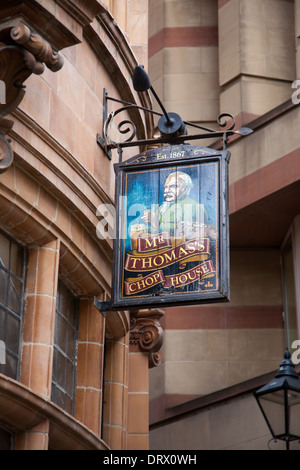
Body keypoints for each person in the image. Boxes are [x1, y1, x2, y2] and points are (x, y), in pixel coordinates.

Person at [141, 171, 210, 239]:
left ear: (185, 189)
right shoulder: (164, 206)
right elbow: (153, 225)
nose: (167, 190)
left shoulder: (194, 207)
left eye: (173, 186)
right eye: (165, 187)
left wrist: (157, 224)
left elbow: (187, 232)